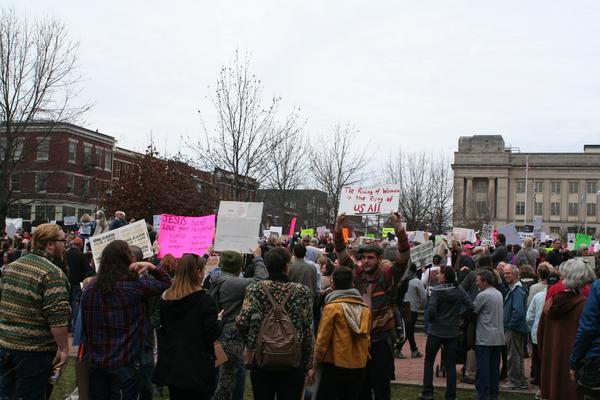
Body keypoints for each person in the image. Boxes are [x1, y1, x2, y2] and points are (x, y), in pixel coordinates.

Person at [80, 240, 171, 399]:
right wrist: (151, 267)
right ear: (126, 259)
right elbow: (166, 282)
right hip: (124, 361)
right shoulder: (134, 286)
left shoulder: (89, 289)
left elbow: (86, 327)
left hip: (97, 362)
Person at [334, 212, 410, 400]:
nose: (366, 261)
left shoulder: (388, 276)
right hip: (359, 340)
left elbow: (404, 255)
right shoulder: (357, 275)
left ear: (379, 258)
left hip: (381, 340)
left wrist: (398, 227)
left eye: (370, 258)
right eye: (363, 258)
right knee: (361, 388)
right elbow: (341, 252)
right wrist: (338, 228)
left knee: (382, 387)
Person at [0, 224, 70, 400]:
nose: (65, 245)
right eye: (63, 241)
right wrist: (63, 349)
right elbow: (57, 318)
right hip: (33, 351)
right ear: (50, 244)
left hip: (5, 345)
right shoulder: (52, 273)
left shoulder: (10, 267)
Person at [237, 247, 313, 400]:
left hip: (263, 356)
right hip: (293, 358)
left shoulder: (255, 289)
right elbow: (308, 330)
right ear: (286, 266)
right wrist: (307, 363)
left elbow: (243, 322)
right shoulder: (302, 291)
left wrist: (251, 344)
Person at [153, 254, 223, 399]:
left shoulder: (166, 297)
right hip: (197, 365)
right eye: (203, 269)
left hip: (173, 363)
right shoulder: (204, 300)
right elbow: (211, 334)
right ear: (198, 272)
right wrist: (219, 321)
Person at [208, 248, 268, 400]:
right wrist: (258, 258)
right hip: (231, 335)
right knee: (226, 383)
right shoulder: (232, 283)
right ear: (239, 267)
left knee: (223, 374)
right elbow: (261, 281)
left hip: (219, 333)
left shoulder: (215, 277)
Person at [308, 266, 371, 400]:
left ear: (333, 284)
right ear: (352, 284)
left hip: (336, 363)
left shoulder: (332, 308)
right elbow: (367, 339)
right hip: (359, 363)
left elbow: (322, 340)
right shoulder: (365, 309)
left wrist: (314, 365)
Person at [538, 258, 595, 400]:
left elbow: (540, 336)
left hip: (552, 362)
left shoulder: (550, 303)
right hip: (574, 366)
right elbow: (587, 337)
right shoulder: (584, 306)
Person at [419, 266, 474, 400]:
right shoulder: (459, 290)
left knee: (429, 362)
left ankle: (428, 392)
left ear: (443, 277)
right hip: (452, 331)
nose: (437, 275)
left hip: (436, 331)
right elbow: (471, 306)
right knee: (450, 365)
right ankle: (451, 395)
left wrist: (433, 321)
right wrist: (459, 317)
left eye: (439, 274)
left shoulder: (436, 291)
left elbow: (431, 311)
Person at [473, 269, 505, 400]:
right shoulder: (498, 293)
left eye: (478, 281)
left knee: (484, 369)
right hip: (497, 337)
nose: (477, 284)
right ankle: (493, 394)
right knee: (494, 369)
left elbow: (472, 310)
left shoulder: (483, 295)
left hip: (485, 337)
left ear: (485, 281)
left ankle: (484, 395)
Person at [500, 264, 529, 390]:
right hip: (515, 327)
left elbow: (518, 312)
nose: (505, 275)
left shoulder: (518, 291)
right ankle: (520, 380)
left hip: (514, 329)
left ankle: (514, 382)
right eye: (505, 273)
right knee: (516, 355)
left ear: (516, 274)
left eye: (508, 273)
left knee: (512, 355)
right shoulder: (515, 289)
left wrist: (510, 325)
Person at [398, 263, 426, 359]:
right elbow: (423, 296)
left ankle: (414, 350)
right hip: (412, 307)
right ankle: (398, 348)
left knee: (409, 329)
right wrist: (421, 305)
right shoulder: (416, 281)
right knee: (408, 330)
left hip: (402, 306)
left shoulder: (401, 279)